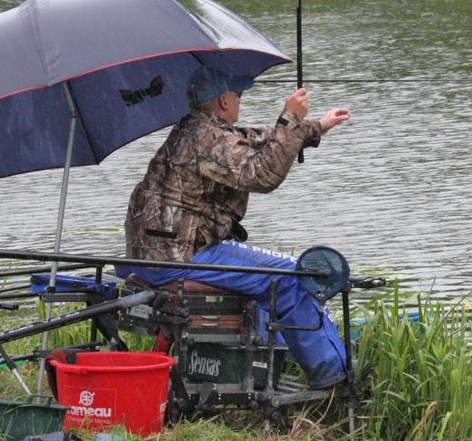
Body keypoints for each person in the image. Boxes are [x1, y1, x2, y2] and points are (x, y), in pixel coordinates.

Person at [123, 66, 351, 389]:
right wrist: (290, 115)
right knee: (291, 276)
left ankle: (264, 368)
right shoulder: (208, 139)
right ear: (223, 101)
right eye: (238, 94)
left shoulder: (193, 130)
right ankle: (336, 376)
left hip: (159, 254)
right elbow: (262, 173)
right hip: (180, 257)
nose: (240, 101)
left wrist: (316, 127)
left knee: (268, 270)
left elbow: (255, 138)